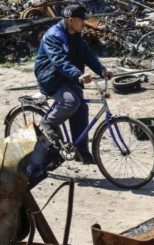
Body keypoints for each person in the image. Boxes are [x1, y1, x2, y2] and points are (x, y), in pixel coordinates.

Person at [34, 4, 112, 164]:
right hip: (50, 78)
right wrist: (78, 74)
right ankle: (47, 122)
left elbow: (88, 56)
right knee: (71, 101)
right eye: (82, 20)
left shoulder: (76, 35)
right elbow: (59, 61)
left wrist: (102, 71)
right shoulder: (53, 36)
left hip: (68, 77)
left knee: (81, 107)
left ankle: (80, 151)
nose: (84, 23)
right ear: (71, 20)